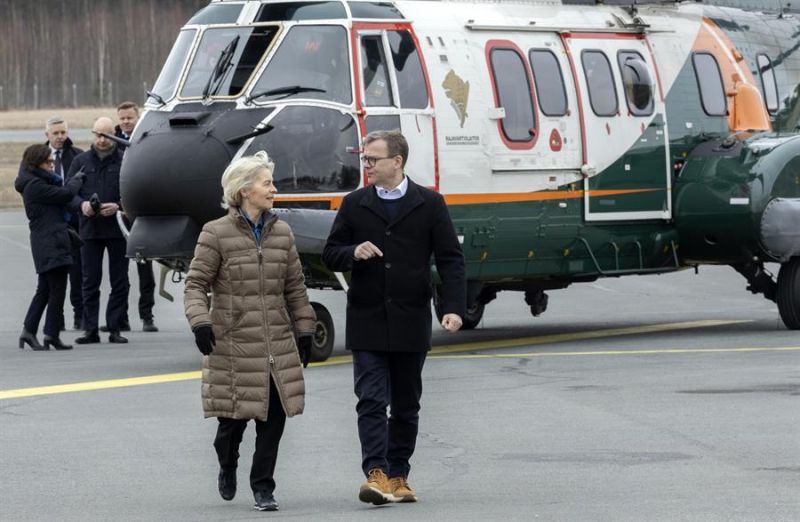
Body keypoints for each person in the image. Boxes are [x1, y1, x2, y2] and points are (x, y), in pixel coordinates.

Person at [322, 130, 466, 505]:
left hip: (410, 317)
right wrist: (353, 251)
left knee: (405, 403)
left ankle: (399, 474)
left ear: (397, 161)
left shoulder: (430, 203)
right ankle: (376, 473)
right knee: (370, 399)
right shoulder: (354, 204)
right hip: (367, 317)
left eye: (372, 159)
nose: (365, 165)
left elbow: (450, 259)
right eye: (364, 159)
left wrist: (453, 307)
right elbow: (331, 253)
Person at [184, 151, 316, 512]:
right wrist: (200, 321)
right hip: (233, 342)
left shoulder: (282, 232)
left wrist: (305, 327)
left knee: (273, 419)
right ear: (244, 190)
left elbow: (295, 287)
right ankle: (227, 464)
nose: (274, 188)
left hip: (276, 341)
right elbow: (196, 284)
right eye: (267, 183)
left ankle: (263, 487)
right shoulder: (216, 233)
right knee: (232, 426)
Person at [68, 117, 130, 345]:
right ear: (93, 135)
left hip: (117, 229)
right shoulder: (80, 161)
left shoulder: (125, 161)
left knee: (119, 281)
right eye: (98, 135)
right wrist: (82, 206)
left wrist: (119, 207)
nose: (102, 140)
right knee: (89, 281)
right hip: (90, 230)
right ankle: (90, 329)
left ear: (113, 134)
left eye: (106, 135)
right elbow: (69, 193)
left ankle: (114, 328)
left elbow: (135, 193)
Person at [15, 144, 82, 351]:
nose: (52, 165)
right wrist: (76, 181)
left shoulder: (36, 181)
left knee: (45, 290)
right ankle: (50, 334)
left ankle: (30, 331)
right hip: (50, 242)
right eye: (48, 162)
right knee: (56, 291)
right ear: (36, 163)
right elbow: (64, 195)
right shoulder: (35, 186)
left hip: (50, 241)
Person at [109, 101, 158, 332]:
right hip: (119, 214)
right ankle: (121, 318)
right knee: (119, 274)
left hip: (139, 215)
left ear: (138, 118)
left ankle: (147, 315)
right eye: (123, 118)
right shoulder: (113, 146)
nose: (126, 122)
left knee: (144, 269)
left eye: (130, 118)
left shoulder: (145, 140)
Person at [45, 116, 84, 331]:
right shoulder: (38, 157)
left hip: (74, 221)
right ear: (47, 135)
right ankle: (56, 319)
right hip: (52, 223)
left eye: (63, 132)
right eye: (56, 133)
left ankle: (80, 315)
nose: (60, 137)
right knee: (54, 274)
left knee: (77, 271)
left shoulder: (77, 155)